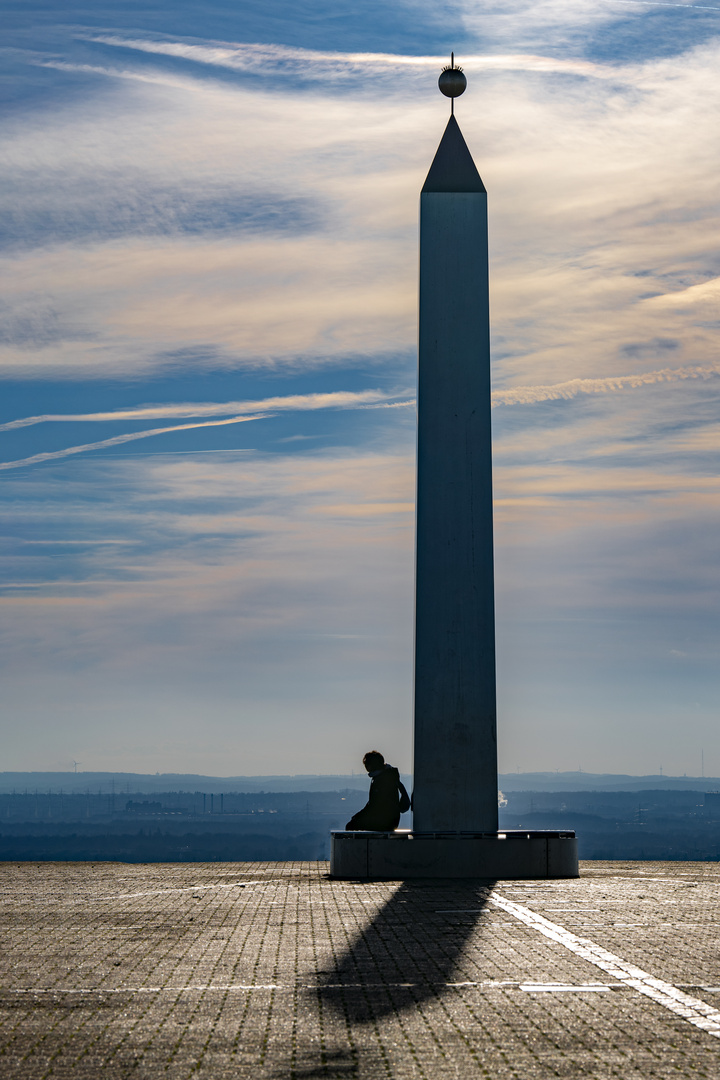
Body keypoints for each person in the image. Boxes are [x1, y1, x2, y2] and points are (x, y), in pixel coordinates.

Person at [345, 751, 408, 831]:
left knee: (351, 826)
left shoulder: (381, 780)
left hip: (384, 821)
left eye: (367, 764)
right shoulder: (388, 776)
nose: (366, 767)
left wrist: (358, 817)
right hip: (391, 821)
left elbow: (375, 805)